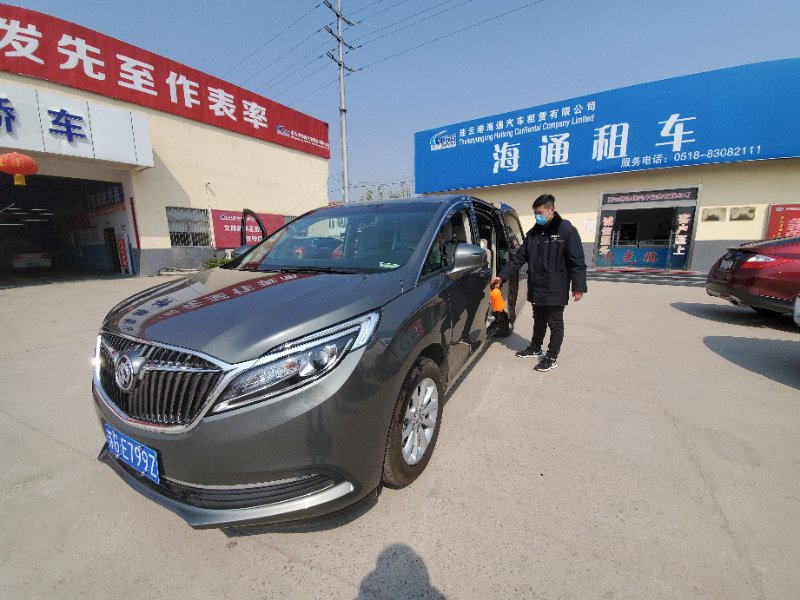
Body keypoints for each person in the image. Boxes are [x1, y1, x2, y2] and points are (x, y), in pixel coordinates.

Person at [490, 194, 587, 372]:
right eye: (535, 213)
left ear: (551, 210)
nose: (537, 216)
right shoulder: (533, 233)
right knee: (539, 319)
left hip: (556, 286)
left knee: (555, 323)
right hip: (537, 286)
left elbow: (577, 260)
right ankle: (535, 347)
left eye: (540, 213)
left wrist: (578, 286)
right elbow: (518, 258)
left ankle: (552, 356)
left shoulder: (566, 230)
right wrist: (502, 276)